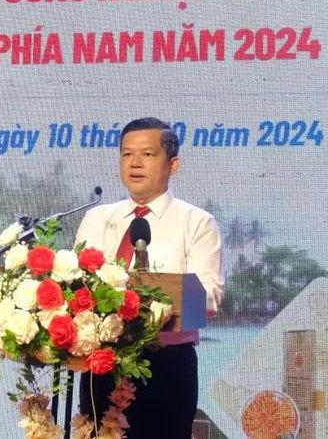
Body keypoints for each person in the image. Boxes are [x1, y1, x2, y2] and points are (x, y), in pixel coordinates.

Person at [74, 117, 223, 439]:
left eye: (148, 154)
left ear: (173, 164)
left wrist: (149, 296)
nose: (135, 163)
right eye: (127, 154)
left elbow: (209, 299)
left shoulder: (196, 222)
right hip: (102, 364)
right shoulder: (97, 218)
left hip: (166, 367)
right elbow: (77, 285)